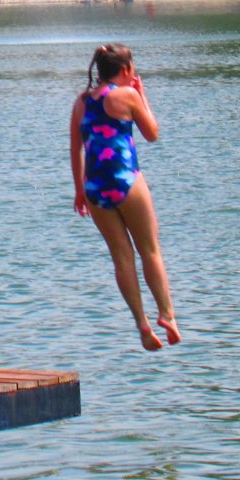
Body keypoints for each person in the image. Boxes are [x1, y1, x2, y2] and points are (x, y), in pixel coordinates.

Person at [69, 43, 180, 351]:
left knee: (122, 257)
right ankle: (167, 316)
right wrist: (142, 95)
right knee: (150, 250)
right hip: (127, 180)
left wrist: (79, 190)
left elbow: (76, 148)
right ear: (127, 70)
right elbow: (152, 133)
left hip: (94, 187)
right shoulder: (128, 96)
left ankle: (142, 324)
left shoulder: (80, 102)